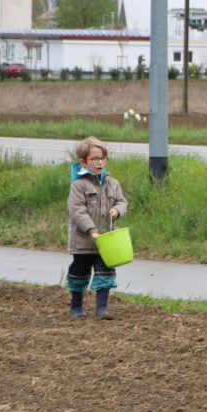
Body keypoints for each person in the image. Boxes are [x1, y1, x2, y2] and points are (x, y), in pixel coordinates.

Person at [65, 136, 127, 320]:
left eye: (103, 158)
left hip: (106, 240)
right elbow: (77, 211)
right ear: (83, 162)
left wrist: (117, 210)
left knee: (105, 272)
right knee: (79, 273)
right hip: (83, 240)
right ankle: (76, 307)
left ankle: (102, 309)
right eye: (95, 159)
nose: (100, 162)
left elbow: (122, 202)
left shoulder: (112, 183)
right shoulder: (78, 185)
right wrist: (92, 230)